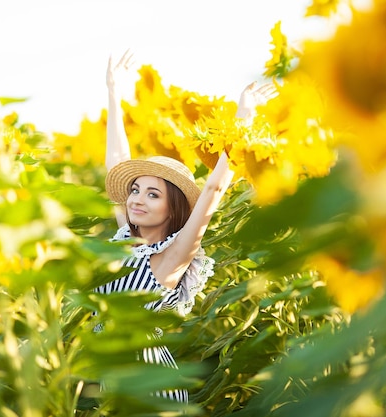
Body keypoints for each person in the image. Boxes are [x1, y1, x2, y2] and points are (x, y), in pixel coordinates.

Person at [94, 49, 274, 404]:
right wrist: (114, 92)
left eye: (152, 194)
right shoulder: (124, 240)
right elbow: (116, 161)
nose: (136, 199)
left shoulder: (170, 258)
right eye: (134, 190)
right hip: (115, 382)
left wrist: (244, 116)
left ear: (173, 208)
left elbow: (212, 190)